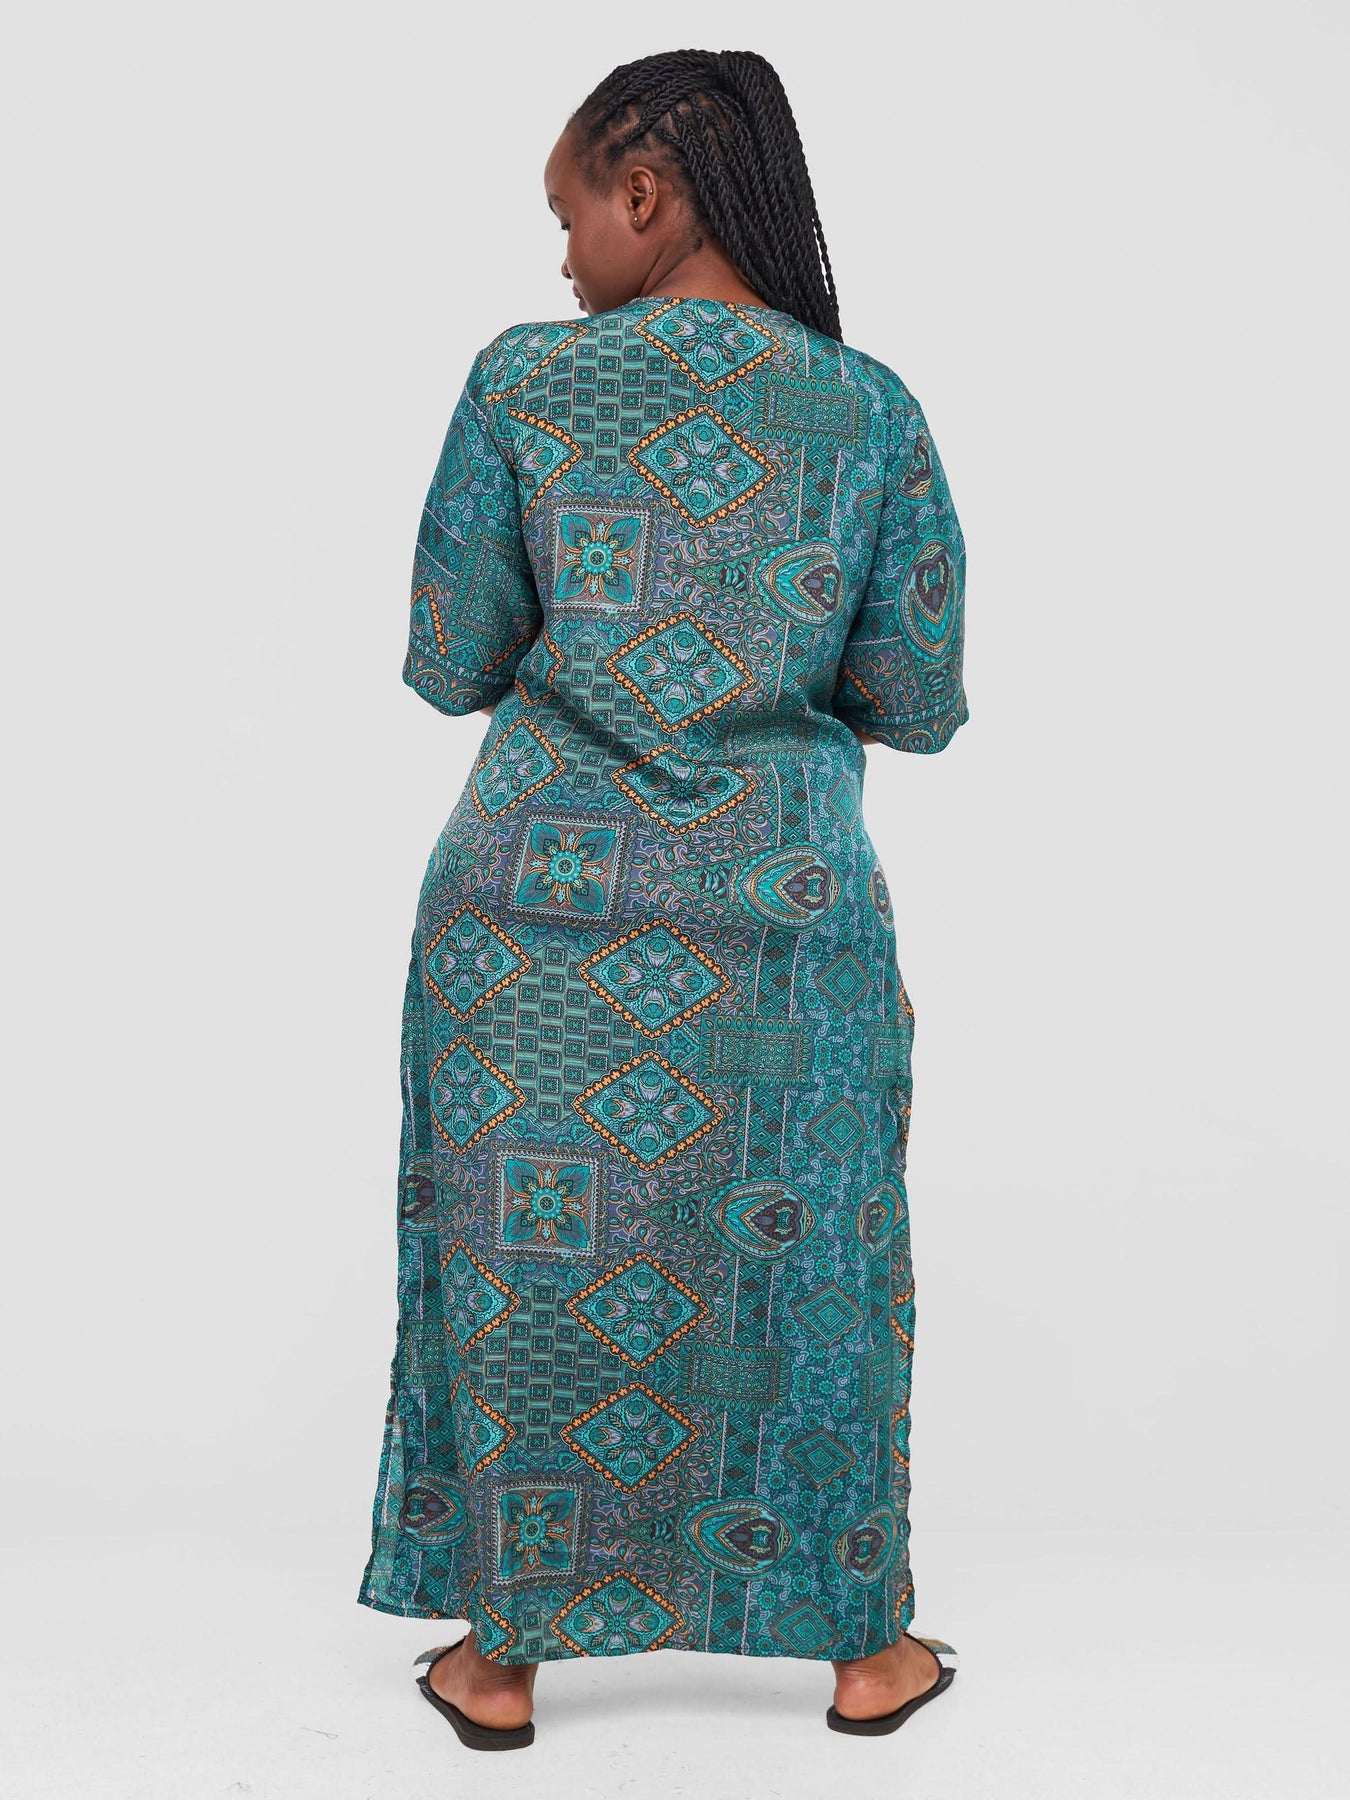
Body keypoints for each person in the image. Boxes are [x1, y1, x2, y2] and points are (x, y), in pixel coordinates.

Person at [357, 46, 969, 1750]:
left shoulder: (521, 382)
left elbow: (454, 655)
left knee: (525, 1274)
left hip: (529, 921)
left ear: (645, 194)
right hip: (785, 927)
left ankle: (500, 1665)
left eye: (568, 213)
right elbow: (913, 695)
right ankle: (863, 1657)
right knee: (816, 1274)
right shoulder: (869, 411)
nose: (560, 256)